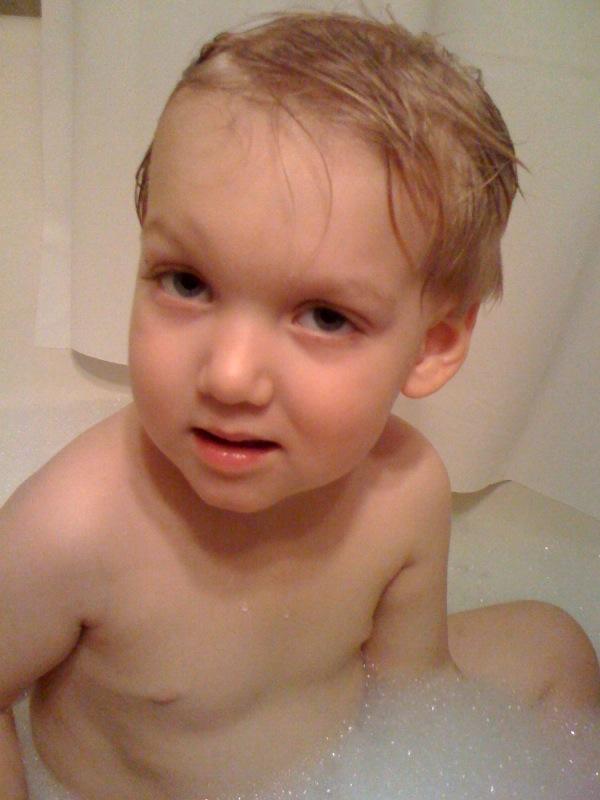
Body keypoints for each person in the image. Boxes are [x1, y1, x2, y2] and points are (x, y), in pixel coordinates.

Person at [1, 11, 599, 800]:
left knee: (557, 645)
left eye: (323, 316)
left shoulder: (405, 493)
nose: (230, 376)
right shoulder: (71, 529)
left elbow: (414, 693)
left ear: (432, 345)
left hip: (335, 755)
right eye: (187, 281)